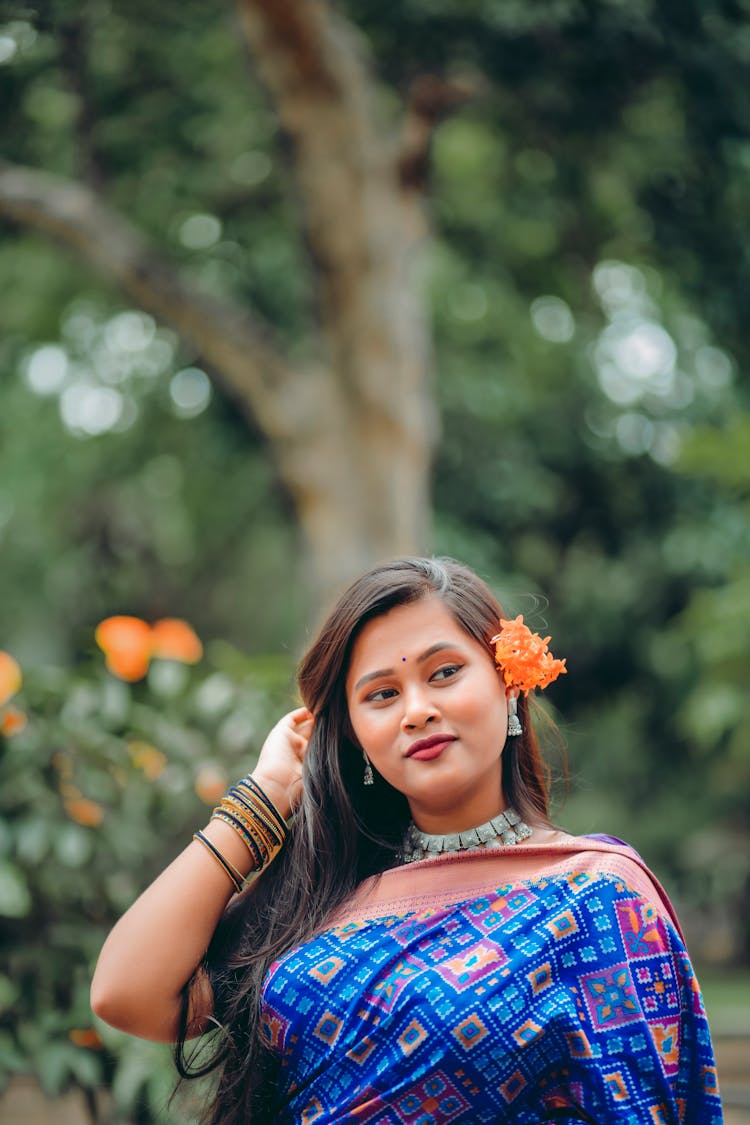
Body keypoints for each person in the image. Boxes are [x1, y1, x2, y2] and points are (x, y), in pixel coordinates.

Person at [91, 557, 723, 1124]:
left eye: (444, 672)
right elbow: (125, 993)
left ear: (508, 684)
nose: (415, 709)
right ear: (355, 735)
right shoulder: (321, 903)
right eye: (382, 694)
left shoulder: (594, 898)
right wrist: (264, 796)